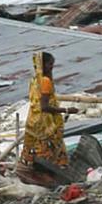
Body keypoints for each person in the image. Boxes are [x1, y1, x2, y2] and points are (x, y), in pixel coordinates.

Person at [16, 52, 78, 186]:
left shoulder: (34, 80)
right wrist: (67, 110)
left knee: (33, 148)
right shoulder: (45, 81)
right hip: (46, 123)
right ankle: (49, 177)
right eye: (50, 64)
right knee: (50, 149)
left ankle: (32, 173)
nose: (52, 67)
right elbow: (44, 106)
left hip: (34, 120)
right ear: (42, 65)